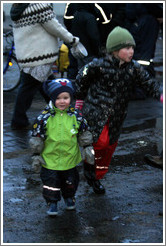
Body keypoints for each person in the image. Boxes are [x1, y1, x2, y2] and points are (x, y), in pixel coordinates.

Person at [74, 26, 163, 194]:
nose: (131, 52)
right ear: (114, 50)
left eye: (132, 48)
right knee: (100, 143)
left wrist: (160, 94)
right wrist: (79, 100)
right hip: (96, 112)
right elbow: (81, 79)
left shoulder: (134, 68)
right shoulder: (98, 66)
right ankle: (91, 172)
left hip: (117, 115)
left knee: (109, 147)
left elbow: (148, 83)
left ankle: (97, 176)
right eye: (127, 48)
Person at [10, 3, 81, 130]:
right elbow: (54, 26)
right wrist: (72, 39)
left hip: (28, 56)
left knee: (48, 86)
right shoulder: (38, 6)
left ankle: (58, 112)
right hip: (39, 58)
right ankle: (18, 120)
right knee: (29, 89)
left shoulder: (19, 7)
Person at [29, 78, 94, 216]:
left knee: (70, 182)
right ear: (52, 99)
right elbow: (37, 138)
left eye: (66, 97)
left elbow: (84, 133)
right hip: (49, 160)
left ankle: (69, 197)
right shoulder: (44, 118)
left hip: (69, 159)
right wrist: (36, 155)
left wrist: (87, 147)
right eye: (58, 98)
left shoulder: (76, 116)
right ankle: (52, 202)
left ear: (71, 98)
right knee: (50, 184)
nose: (62, 101)